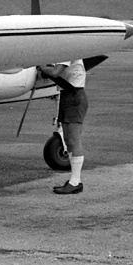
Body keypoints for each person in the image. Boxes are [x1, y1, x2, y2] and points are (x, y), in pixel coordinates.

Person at [40, 59, 87, 194]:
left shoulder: (67, 51)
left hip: (74, 95)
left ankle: (75, 181)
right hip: (67, 94)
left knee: (73, 140)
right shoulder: (63, 51)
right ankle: (74, 180)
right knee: (68, 139)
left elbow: (55, 72)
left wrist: (41, 67)